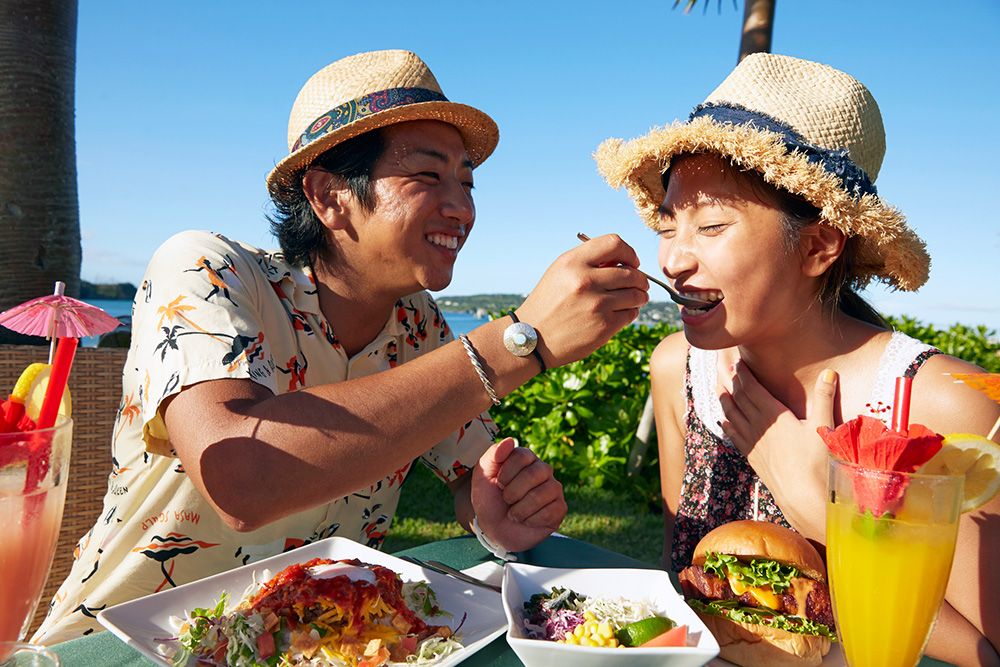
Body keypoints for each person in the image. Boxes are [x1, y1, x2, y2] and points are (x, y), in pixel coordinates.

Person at [34, 49, 649, 643]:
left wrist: (492, 511)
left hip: (321, 639)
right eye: (427, 175)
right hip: (121, 643)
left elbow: (469, 476)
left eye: (467, 182)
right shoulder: (208, 270)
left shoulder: (419, 325)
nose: (462, 207)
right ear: (328, 196)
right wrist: (518, 342)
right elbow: (240, 478)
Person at [595, 53, 1000, 665]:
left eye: (711, 226)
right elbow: (686, 589)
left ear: (817, 245)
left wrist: (831, 516)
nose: (674, 259)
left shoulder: (943, 404)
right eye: (670, 222)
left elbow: (987, 648)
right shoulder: (678, 369)